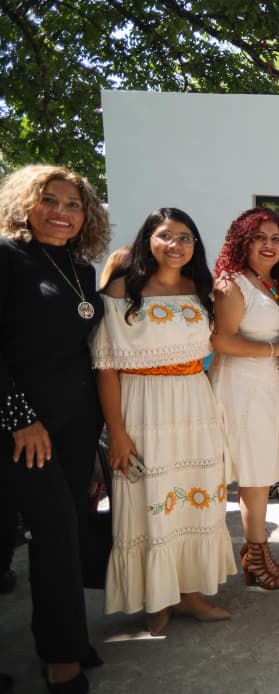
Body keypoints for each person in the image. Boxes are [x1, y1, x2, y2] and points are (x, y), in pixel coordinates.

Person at [92, 208, 237, 634]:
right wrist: (117, 433)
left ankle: (189, 594)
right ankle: (157, 599)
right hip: (144, 407)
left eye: (185, 237)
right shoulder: (122, 288)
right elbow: (106, 366)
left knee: (195, 498)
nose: (176, 245)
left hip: (195, 403)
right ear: (148, 240)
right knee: (151, 500)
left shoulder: (201, 288)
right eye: (166, 236)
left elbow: (220, 342)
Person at [0, 164, 110, 692]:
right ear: (26, 203)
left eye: (73, 204)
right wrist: (21, 419)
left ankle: (65, 638)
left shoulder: (81, 271)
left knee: (65, 533)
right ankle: (61, 653)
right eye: (50, 200)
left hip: (76, 423)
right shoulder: (6, 256)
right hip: (25, 426)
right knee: (54, 528)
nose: (62, 212)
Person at [209, 207, 279, 590]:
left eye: (276, 239)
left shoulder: (274, 283)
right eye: (259, 238)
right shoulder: (232, 283)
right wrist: (277, 349)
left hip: (270, 389)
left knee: (262, 472)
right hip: (242, 389)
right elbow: (221, 340)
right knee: (253, 475)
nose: (269, 245)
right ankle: (256, 552)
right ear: (242, 241)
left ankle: (255, 552)